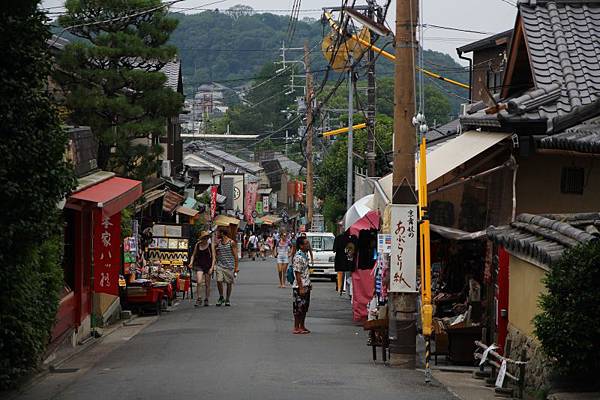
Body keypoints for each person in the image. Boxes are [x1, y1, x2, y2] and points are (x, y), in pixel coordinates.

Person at [214, 228, 239, 306]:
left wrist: (236, 267)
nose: (217, 234)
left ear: (222, 233)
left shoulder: (231, 243)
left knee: (229, 283)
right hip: (220, 265)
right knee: (219, 280)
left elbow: (235, 256)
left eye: (218, 233)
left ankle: (227, 299)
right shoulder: (219, 243)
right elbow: (215, 252)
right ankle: (221, 296)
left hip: (229, 266)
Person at [189, 231, 214, 307]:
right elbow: (193, 255)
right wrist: (191, 262)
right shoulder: (198, 245)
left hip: (208, 265)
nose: (205, 239)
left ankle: (206, 299)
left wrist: (212, 268)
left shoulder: (210, 245)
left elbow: (214, 258)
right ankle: (199, 298)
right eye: (204, 238)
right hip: (199, 265)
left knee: (207, 284)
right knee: (199, 281)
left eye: (206, 238)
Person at [292, 236, 311, 334]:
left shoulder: (304, 255)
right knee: (298, 307)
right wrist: (301, 287)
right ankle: (296, 326)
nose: (308, 245)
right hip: (299, 286)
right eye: (306, 243)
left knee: (304, 307)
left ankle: (302, 326)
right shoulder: (298, 257)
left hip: (306, 284)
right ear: (301, 245)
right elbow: (297, 273)